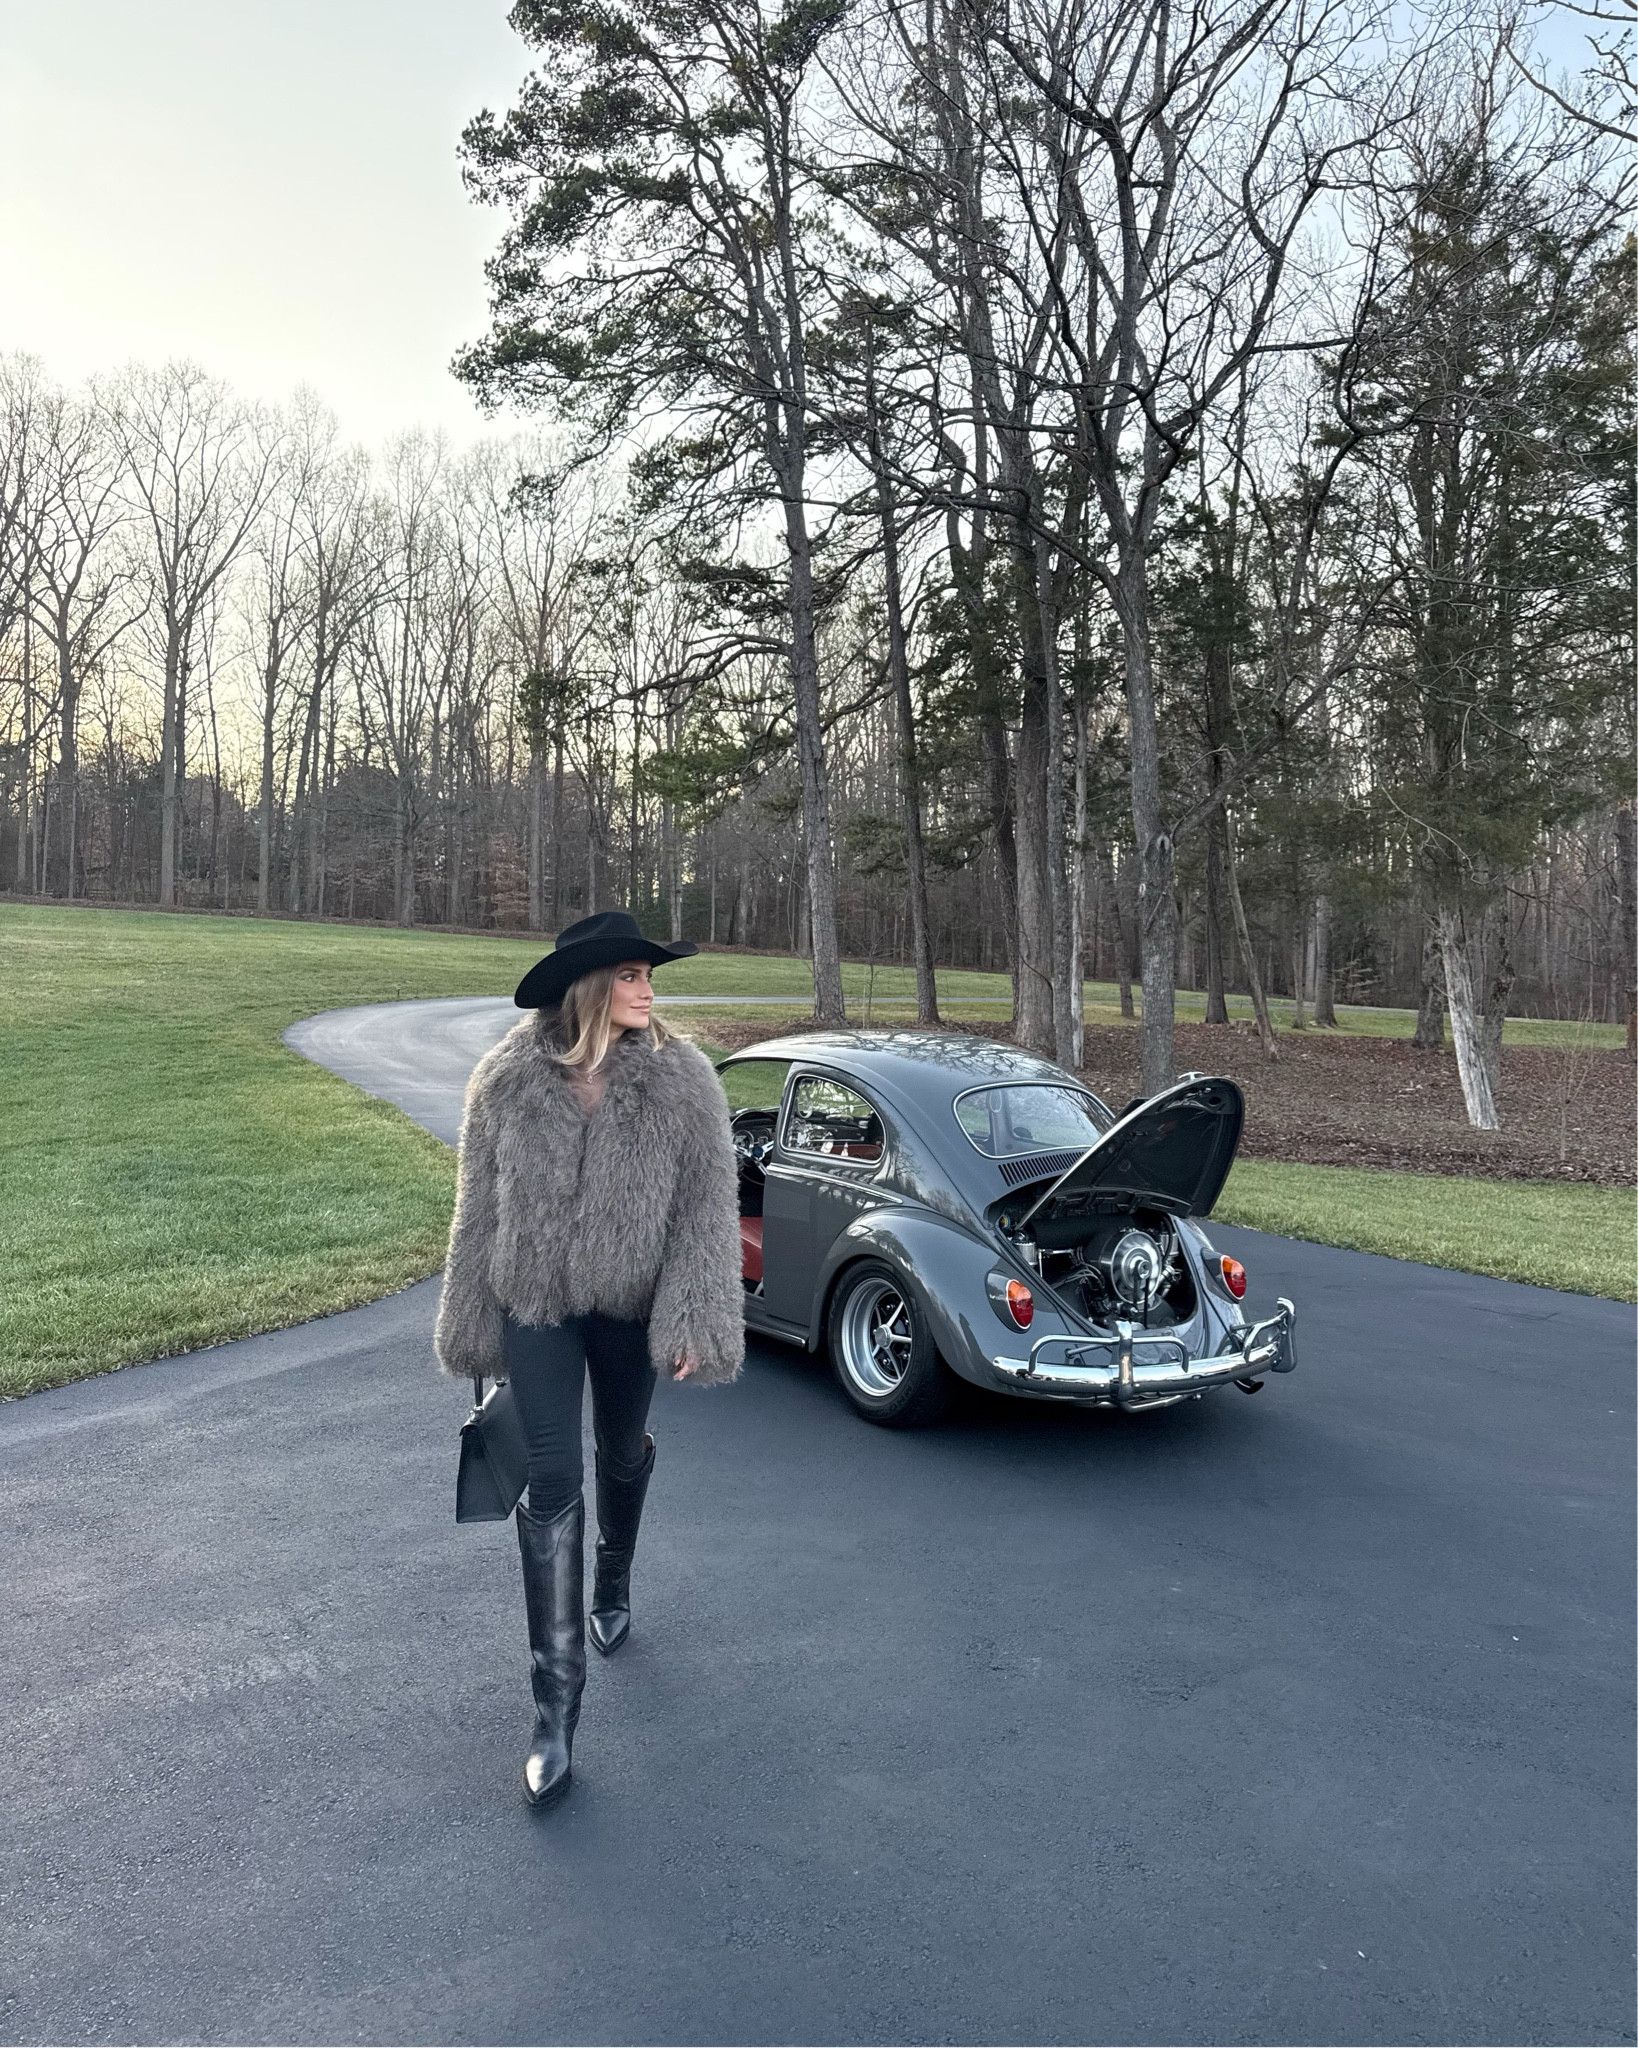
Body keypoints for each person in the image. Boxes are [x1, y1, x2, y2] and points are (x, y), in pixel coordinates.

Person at [434, 909, 744, 1807]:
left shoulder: (684, 1081)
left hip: (628, 1305)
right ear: (591, 987)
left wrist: (694, 1318)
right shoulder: (505, 1081)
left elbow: (703, 1211)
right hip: (535, 1302)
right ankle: (555, 1711)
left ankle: (615, 1577)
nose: (650, 990)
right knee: (552, 1479)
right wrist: (471, 1324)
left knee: (620, 1448)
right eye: (634, 975)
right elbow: (476, 1212)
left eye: (652, 976)